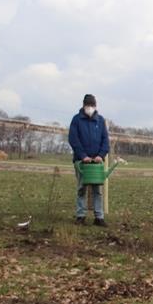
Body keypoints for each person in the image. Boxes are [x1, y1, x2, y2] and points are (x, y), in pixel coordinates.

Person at [68, 94, 110, 227]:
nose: (90, 108)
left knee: (98, 190)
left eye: (92, 105)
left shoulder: (100, 120)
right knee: (81, 188)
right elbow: (73, 139)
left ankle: (99, 217)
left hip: (97, 162)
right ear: (83, 105)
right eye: (88, 105)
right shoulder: (76, 120)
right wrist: (82, 156)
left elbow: (105, 140)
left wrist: (101, 155)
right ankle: (81, 216)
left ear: (95, 106)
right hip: (82, 162)